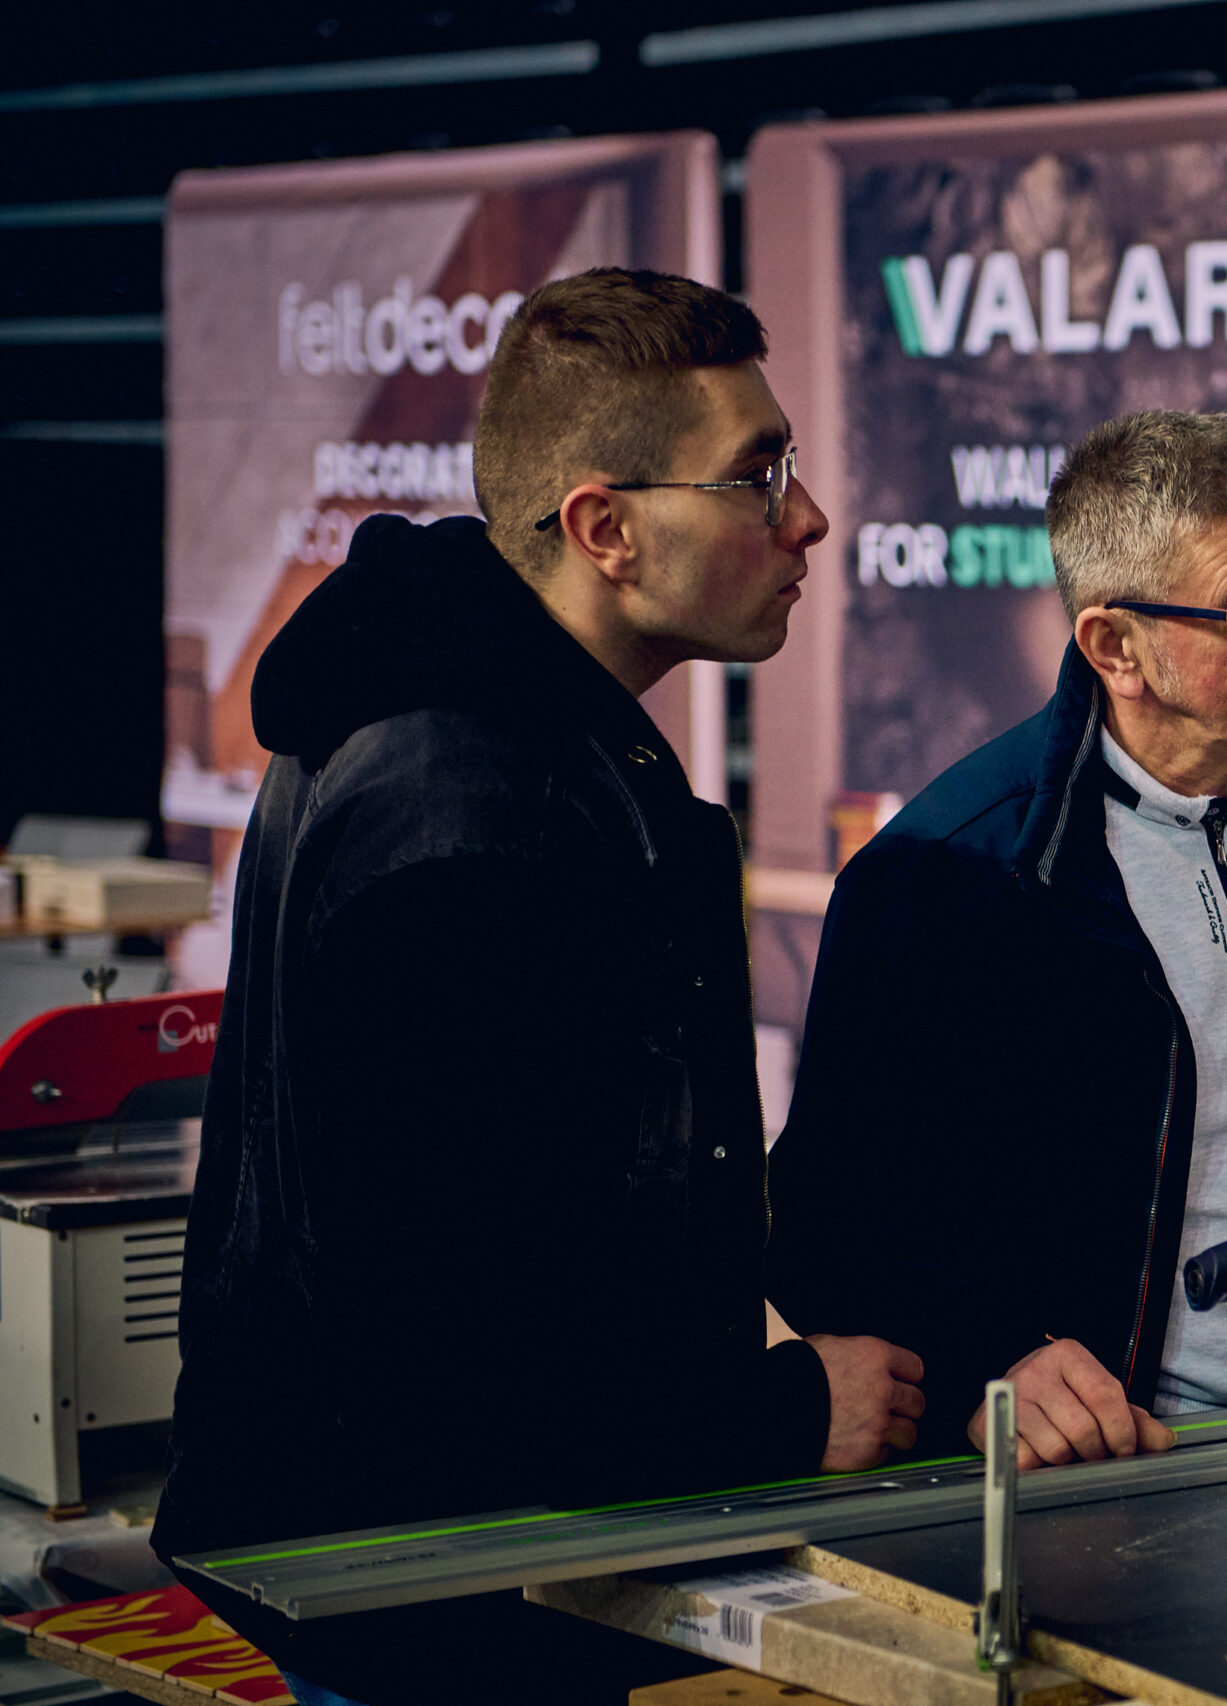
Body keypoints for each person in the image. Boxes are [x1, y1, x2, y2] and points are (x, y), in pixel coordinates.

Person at [155, 269, 926, 1706]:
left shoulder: (501, 739)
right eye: (758, 475)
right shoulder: (473, 816)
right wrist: (778, 1413)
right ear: (604, 528)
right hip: (437, 1615)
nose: (808, 518)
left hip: (462, 1582)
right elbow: (447, 1349)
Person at [768, 410, 1227, 1466]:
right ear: (1116, 648)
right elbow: (832, 1229)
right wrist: (994, 1355)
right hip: (1139, 1467)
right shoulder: (950, 873)